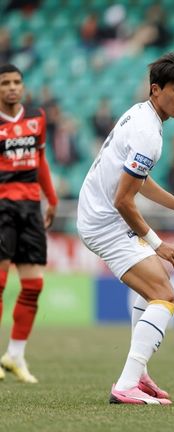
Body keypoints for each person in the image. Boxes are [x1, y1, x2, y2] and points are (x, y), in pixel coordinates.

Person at [77, 52, 174, 405]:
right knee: (165, 296)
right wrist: (156, 243)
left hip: (96, 212)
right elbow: (124, 200)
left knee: (156, 289)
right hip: (105, 221)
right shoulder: (148, 133)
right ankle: (126, 385)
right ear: (156, 90)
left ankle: (139, 374)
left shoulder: (140, 114)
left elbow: (138, 179)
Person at [0, 63, 58, 384]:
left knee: (34, 285)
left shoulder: (36, 118)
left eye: (16, 82)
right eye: (5, 82)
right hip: (2, 207)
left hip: (30, 208)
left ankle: (15, 355)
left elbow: (41, 160)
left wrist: (52, 198)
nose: (11, 87)